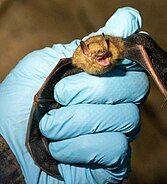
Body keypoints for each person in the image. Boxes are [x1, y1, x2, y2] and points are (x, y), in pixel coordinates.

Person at [0, 7, 149, 184]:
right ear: (84, 52)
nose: (101, 56)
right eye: (95, 55)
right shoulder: (72, 62)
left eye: (105, 52)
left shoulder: (119, 47)